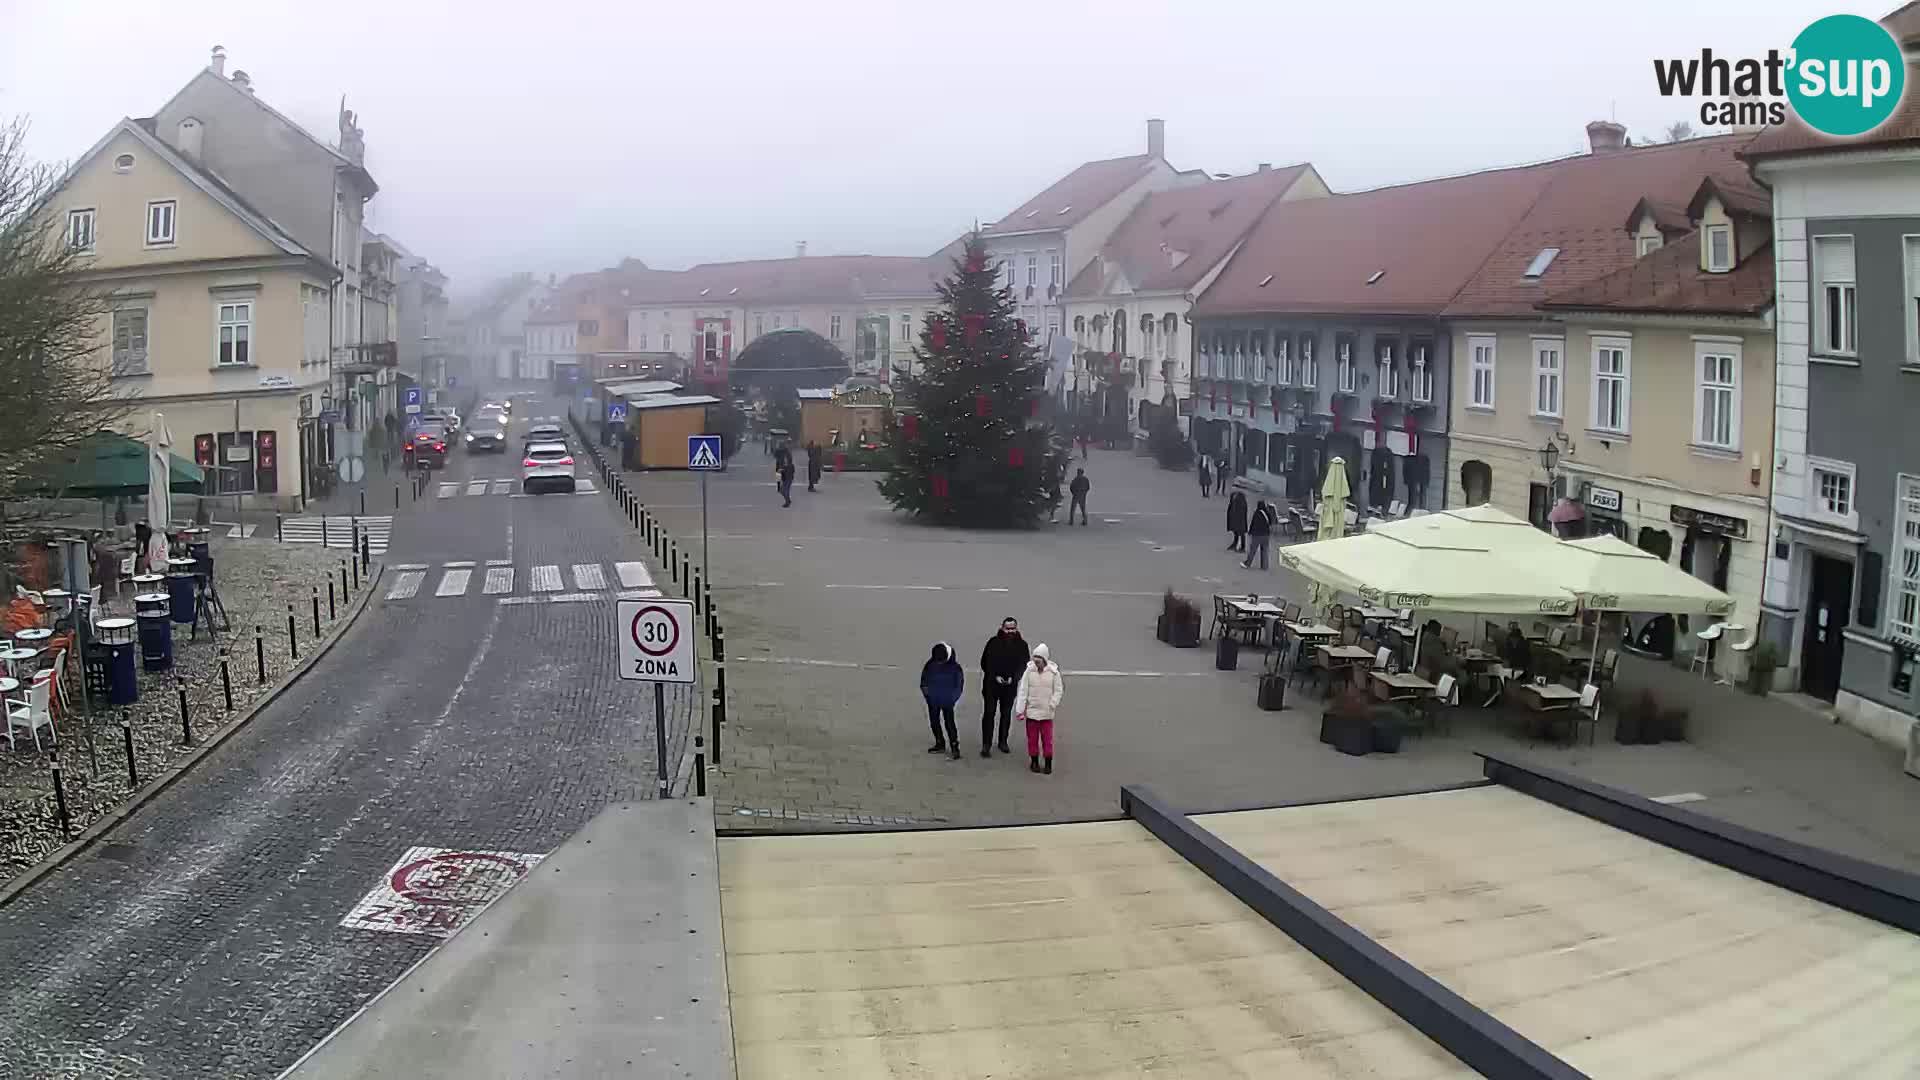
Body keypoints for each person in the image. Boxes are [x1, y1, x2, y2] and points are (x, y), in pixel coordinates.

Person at [978, 616, 1030, 756]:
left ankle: (1003, 742)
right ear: (1002, 627)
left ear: (1016, 628)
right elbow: (985, 662)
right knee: (989, 713)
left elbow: (1024, 665)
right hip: (991, 686)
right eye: (1007, 628)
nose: (1010, 631)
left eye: (1013, 628)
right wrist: (995, 676)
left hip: (1010, 687)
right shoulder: (993, 643)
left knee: (1006, 715)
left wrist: (1014, 678)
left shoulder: (1022, 645)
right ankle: (986, 744)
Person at [1013, 643, 1065, 775]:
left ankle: (1048, 763)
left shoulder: (1054, 673)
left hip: (1047, 714)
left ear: (1045, 659)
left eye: (1039, 658)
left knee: (1047, 740)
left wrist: (1052, 703)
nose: (1036, 661)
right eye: (1035, 658)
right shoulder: (1029, 672)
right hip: (1032, 713)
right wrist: (1020, 710)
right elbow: (1023, 691)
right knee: (1032, 739)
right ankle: (1034, 761)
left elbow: (1058, 690)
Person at [919, 642, 964, 759]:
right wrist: (927, 695)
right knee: (934, 722)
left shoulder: (955, 668)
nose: (938, 663)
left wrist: (952, 699)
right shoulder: (930, 664)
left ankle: (954, 746)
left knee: (950, 723)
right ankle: (940, 743)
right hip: (932, 700)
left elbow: (958, 686)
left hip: (947, 702)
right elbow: (924, 680)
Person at [1242, 500, 1273, 570]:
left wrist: (1250, 532)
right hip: (1266, 535)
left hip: (1257, 535)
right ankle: (1264, 566)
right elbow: (1270, 522)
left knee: (1252, 550)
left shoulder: (1257, 513)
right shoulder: (1266, 513)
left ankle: (1247, 563)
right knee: (1265, 550)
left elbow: (1253, 524)